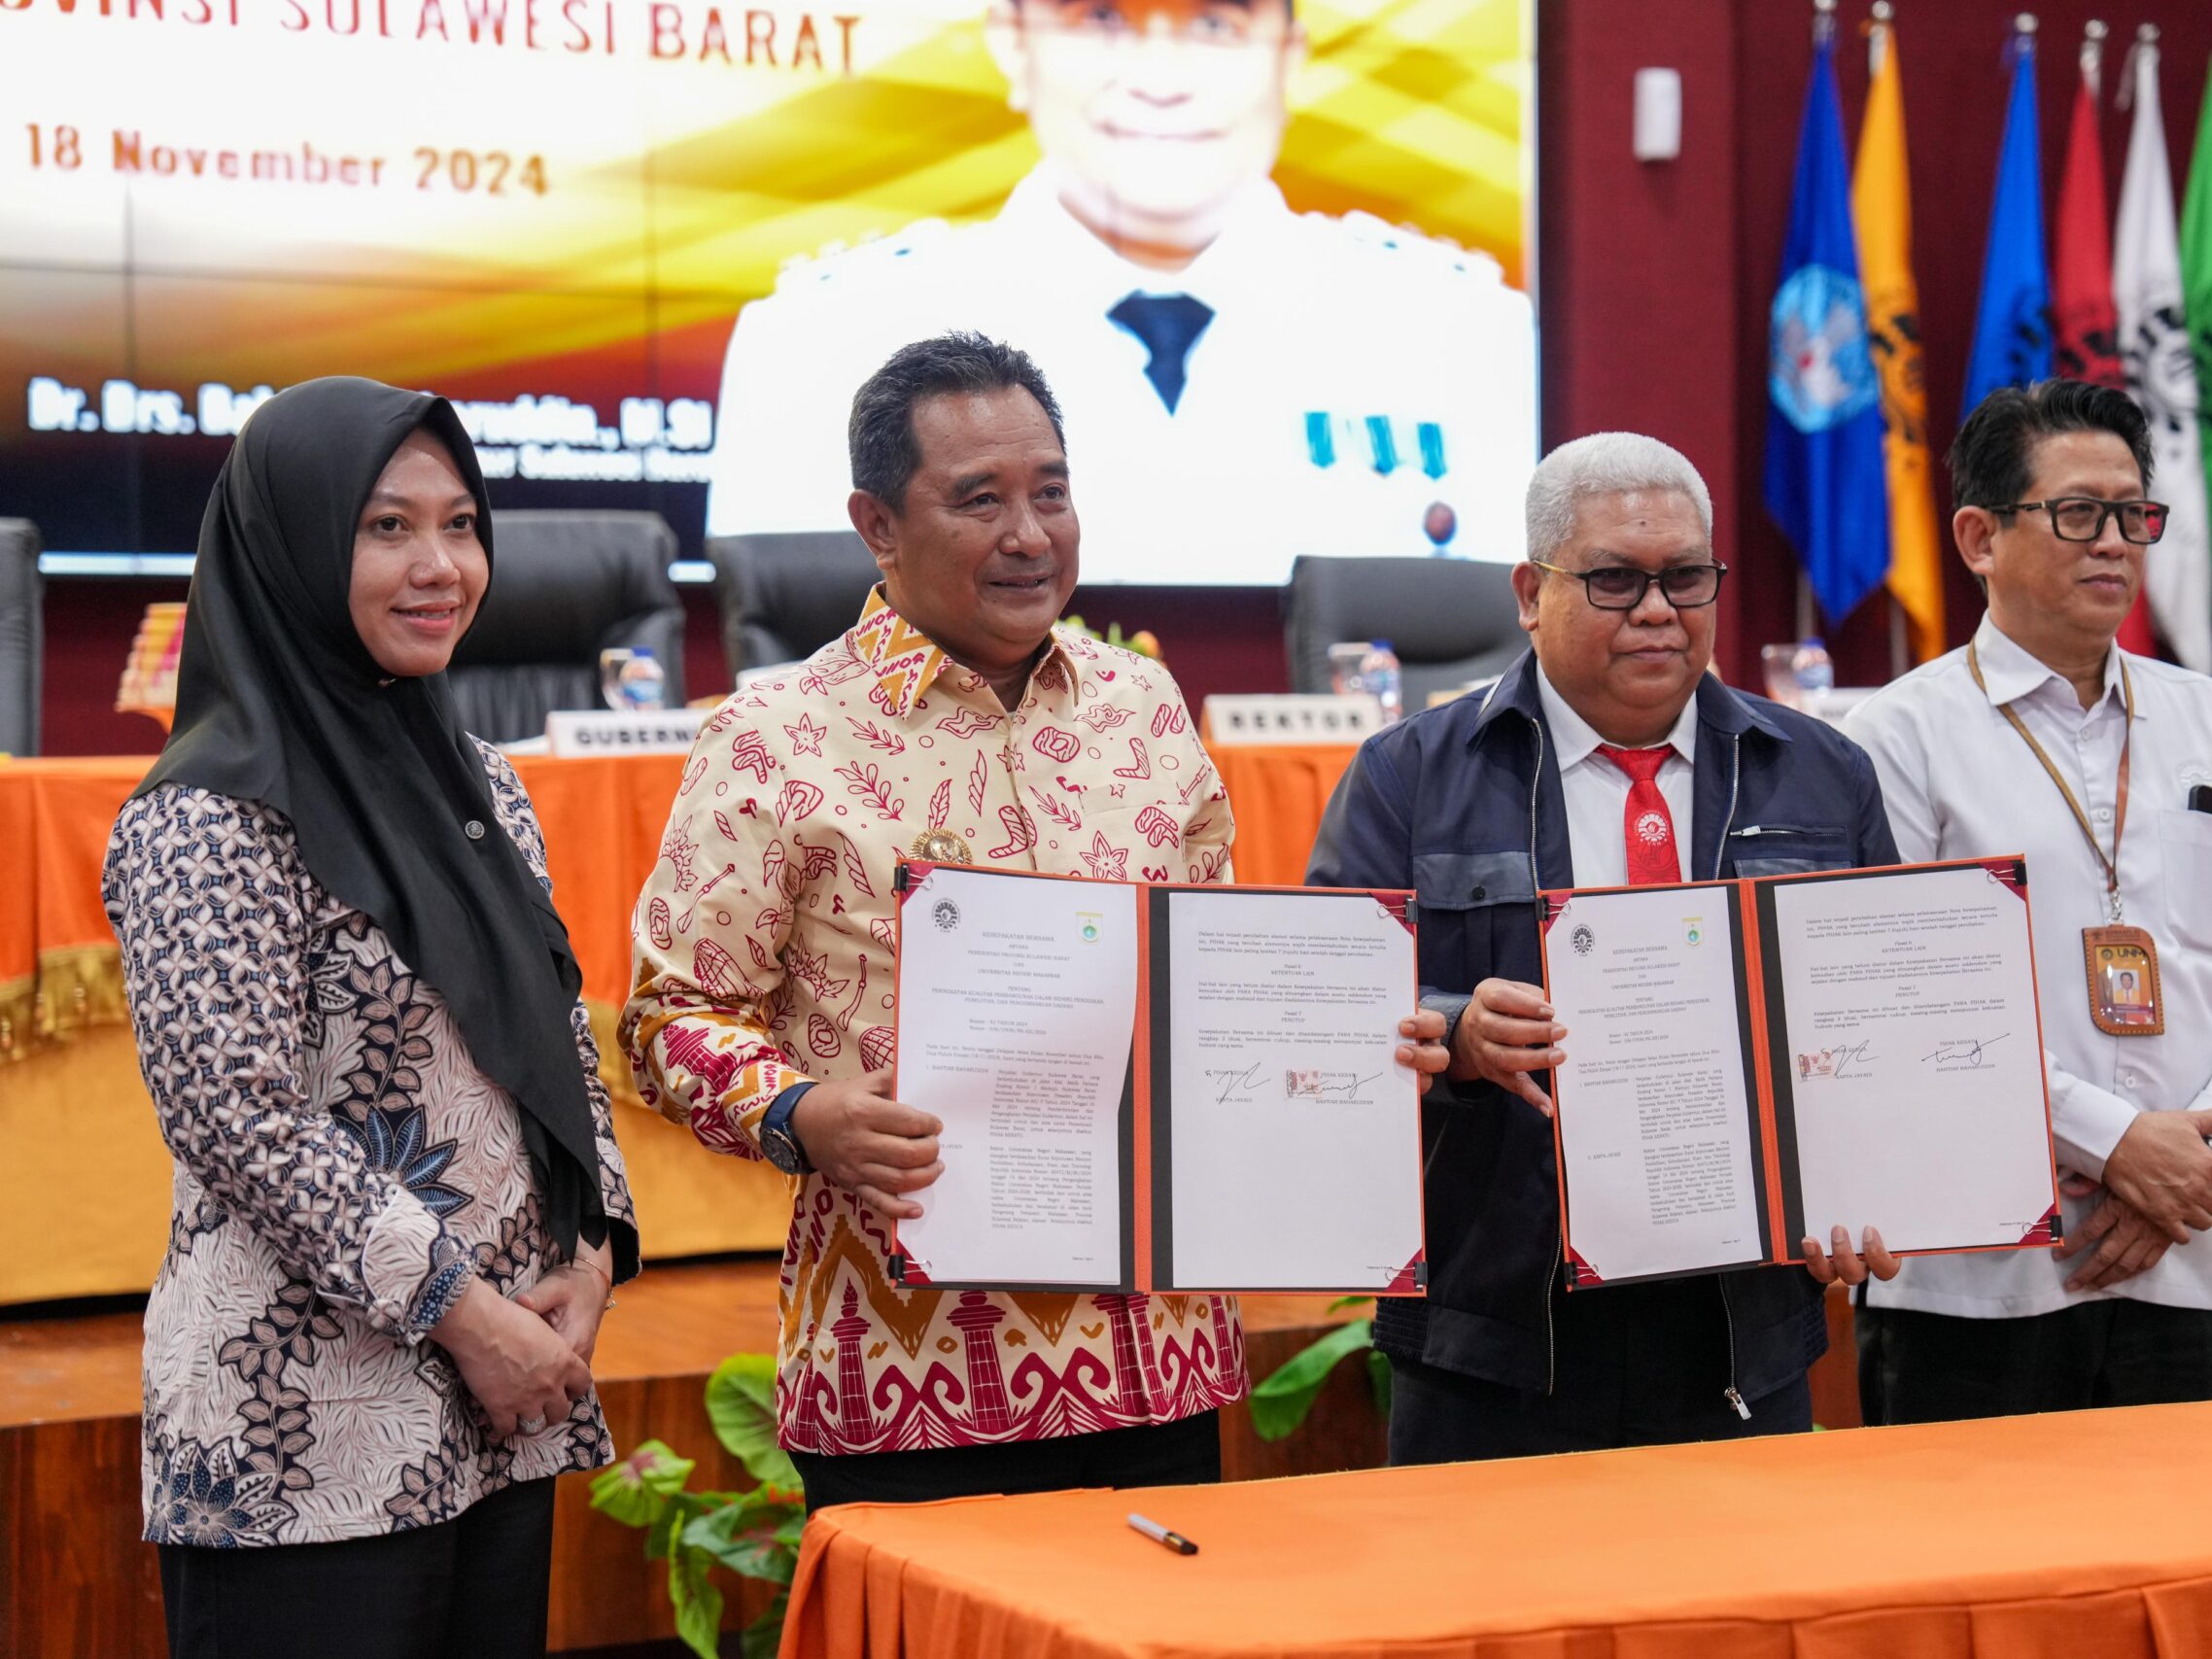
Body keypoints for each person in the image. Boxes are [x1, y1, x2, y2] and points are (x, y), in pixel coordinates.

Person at [626, 331, 1452, 1507]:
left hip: (1153, 1359)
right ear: (876, 524)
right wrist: (800, 1114)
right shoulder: (776, 737)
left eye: (1050, 493)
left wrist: (1346, 1043)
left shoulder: (1141, 706)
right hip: (911, 1371)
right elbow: (669, 1017)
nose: (1029, 534)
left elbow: (1214, 983)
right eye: (980, 500)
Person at [102, 377, 639, 1659]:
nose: (440, 566)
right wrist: (471, 1316)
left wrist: (592, 1247)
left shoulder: (483, 781)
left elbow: (555, 1022)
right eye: (386, 526)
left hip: (495, 1410)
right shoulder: (206, 817)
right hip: (302, 1439)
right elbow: (240, 1122)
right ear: (290, 544)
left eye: (461, 525)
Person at [1303, 432, 1899, 1466]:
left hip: (1737, 1328)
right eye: (1616, 580)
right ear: (1531, 593)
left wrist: (1868, 1187)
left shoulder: (1821, 772)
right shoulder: (1410, 775)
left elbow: (1878, 1019)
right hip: (1493, 1337)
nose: (1658, 609)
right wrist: (1457, 1032)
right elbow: (1322, 1012)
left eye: (1686, 578)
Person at [1843, 380, 2212, 1423]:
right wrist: (2114, 1142)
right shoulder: (1898, 737)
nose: (2114, 542)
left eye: (2132, 514)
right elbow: (1898, 1002)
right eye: (2078, 514)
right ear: (1979, 537)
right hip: (1983, 1266)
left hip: (2196, 1246)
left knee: (2196, 1525)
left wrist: (2199, 1160)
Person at [703, 0, 1536, 580]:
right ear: (1012, 42)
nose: (1161, 80)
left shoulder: (1465, 326)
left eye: (1216, 24)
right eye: (1100, 17)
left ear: (1289, 54)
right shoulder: (819, 334)